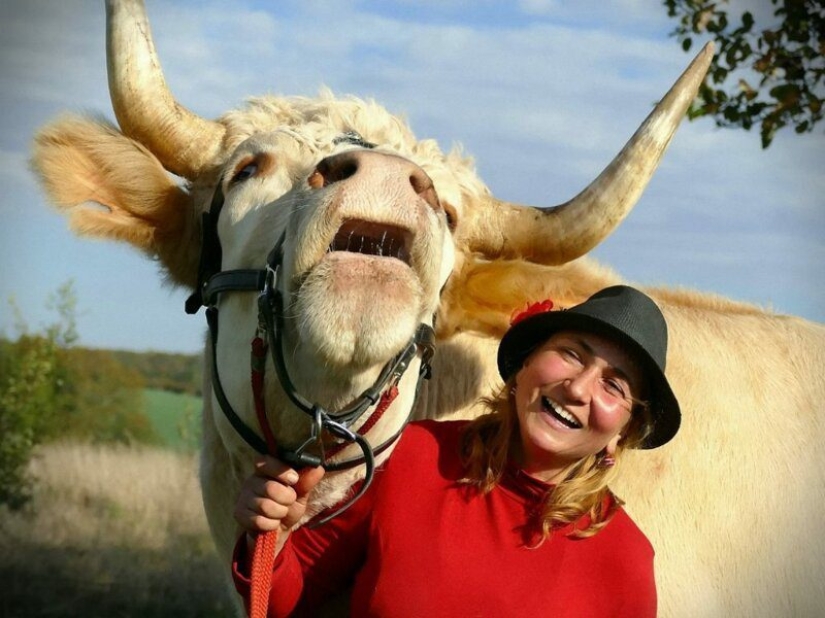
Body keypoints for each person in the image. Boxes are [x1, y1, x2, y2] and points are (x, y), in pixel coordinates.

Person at [232, 285, 681, 617]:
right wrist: (275, 534)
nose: (579, 388)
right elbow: (289, 599)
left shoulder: (625, 561)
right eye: (571, 354)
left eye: (613, 385)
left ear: (623, 431)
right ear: (526, 363)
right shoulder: (411, 456)